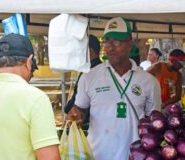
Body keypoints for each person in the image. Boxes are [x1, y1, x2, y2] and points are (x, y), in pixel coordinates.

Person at [67, 17, 161, 160]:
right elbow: (81, 109)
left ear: (130, 43)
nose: (110, 47)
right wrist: (76, 114)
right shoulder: (89, 77)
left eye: (116, 41)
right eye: (106, 41)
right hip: (96, 156)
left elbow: (154, 123)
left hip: (135, 156)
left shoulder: (149, 82)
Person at [64, 35, 102, 121]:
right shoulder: (102, 71)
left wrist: (67, 109)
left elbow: (77, 101)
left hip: (88, 123)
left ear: (90, 51)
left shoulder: (89, 73)